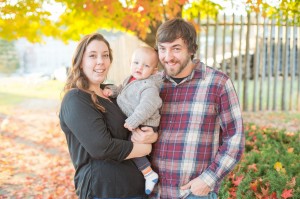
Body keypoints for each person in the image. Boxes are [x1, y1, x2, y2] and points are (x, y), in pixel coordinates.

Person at [136, 18, 245, 199]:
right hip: (155, 193)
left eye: (176, 48)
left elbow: (235, 137)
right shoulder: (152, 85)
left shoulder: (217, 83)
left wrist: (208, 180)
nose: (167, 56)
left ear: (192, 49)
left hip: (193, 194)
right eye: (162, 49)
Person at [59, 33, 155, 199]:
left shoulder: (113, 93)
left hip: (137, 189)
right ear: (80, 62)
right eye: (92, 56)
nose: (100, 61)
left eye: (105, 55)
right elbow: (102, 147)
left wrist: (152, 135)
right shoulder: (76, 98)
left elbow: (137, 125)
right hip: (103, 191)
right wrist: (146, 148)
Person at [103, 46, 162, 195]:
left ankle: (149, 174)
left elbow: (149, 105)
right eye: (136, 63)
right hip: (136, 120)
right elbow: (123, 90)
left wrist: (134, 120)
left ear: (154, 70)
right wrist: (113, 91)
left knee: (132, 145)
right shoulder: (130, 79)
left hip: (144, 123)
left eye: (146, 65)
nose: (139, 67)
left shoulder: (149, 86)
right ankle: (147, 173)